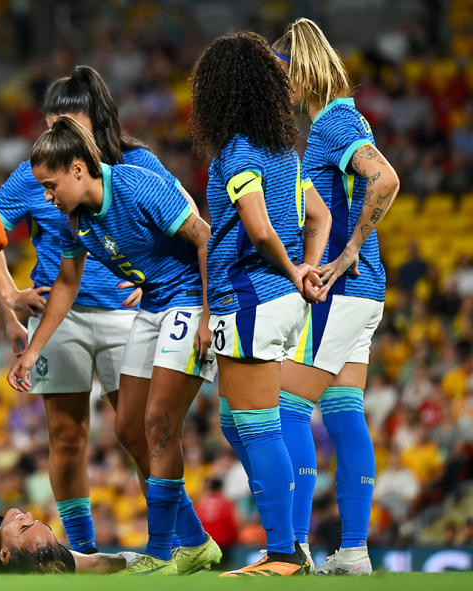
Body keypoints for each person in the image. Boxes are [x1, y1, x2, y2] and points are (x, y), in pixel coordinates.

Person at [0, 67, 213, 569]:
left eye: (68, 120)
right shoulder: (47, 184)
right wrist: (7, 299)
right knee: (73, 436)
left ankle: (184, 538)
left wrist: (149, 272)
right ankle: (85, 554)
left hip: (141, 311)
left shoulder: (137, 168)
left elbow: (192, 225)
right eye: (50, 123)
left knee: (145, 429)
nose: (57, 133)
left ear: (94, 123)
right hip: (62, 319)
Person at [188, 32, 331, 576]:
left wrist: (296, 269)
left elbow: (258, 226)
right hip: (275, 299)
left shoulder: (238, 151)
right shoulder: (281, 152)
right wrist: (309, 267)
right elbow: (316, 217)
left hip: (250, 296)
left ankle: (284, 551)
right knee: (234, 421)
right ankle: (290, 542)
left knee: (256, 423)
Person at [272, 18, 399, 576]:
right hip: (365, 292)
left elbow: (385, 179)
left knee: (285, 408)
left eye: (286, 77)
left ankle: (294, 548)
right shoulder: (341, 119)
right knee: (345, 412)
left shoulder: (334, 122)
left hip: (343, 286)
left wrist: (345, 254)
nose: (285, 91)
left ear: (303, 70)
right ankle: (353, 551)